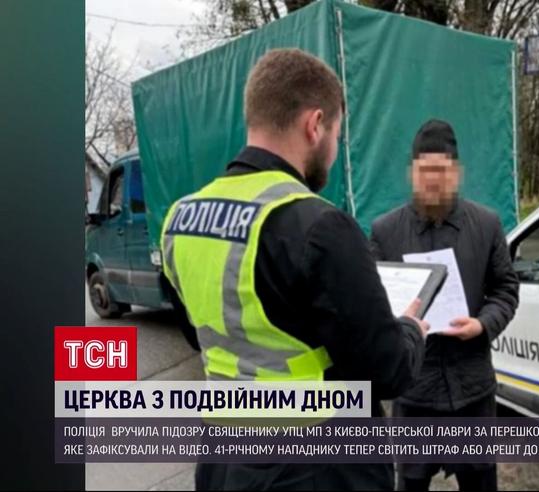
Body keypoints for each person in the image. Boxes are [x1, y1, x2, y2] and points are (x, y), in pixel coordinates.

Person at [160, 48, 428, 491]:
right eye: (336, 134)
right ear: (315, 124)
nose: (334, 150)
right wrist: (411, 330)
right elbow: (387, 371)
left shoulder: (180, 219)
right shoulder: (319, 225)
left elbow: (199, 334)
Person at [369, 119, 520, 491]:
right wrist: (400, 326)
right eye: (425, 171)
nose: (433, 179)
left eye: (441, 170)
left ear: (456, 172)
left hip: (472, 392)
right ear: (413, 173)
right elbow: (373, 302)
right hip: (415, 393)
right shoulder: (385, 231)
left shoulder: (486, 225)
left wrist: (482, 324)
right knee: (411, 484)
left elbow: (506, 289)